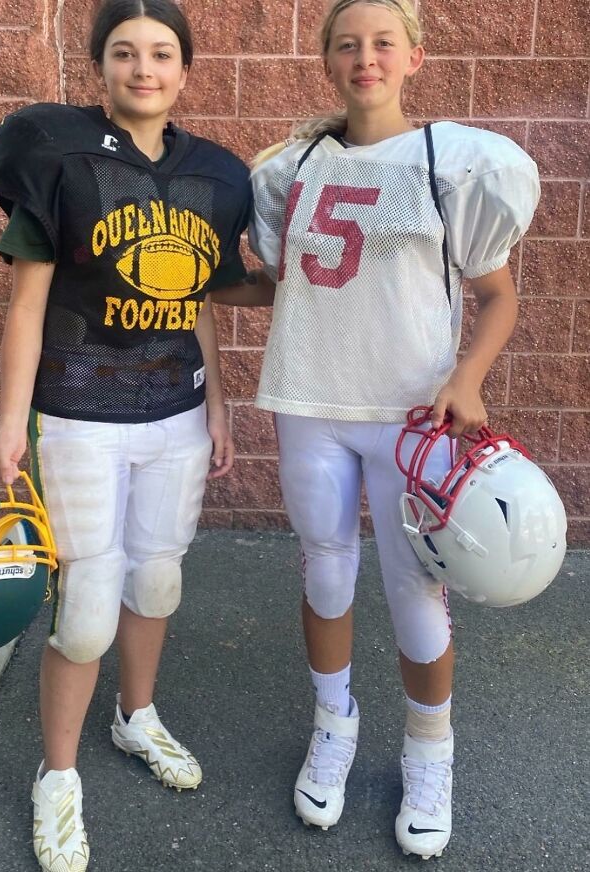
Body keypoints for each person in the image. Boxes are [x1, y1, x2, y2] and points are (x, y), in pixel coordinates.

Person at [245, 0, 540, 859]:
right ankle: (332, 723)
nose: (364, 58)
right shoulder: (292, 166)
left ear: (416, 56)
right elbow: (284, 285)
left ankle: (429, 749)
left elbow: (498, 296)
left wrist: (467, 376)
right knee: (326, 570)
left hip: (413, 416)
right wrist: (176, 284)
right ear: (327, 61)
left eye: (383, 43)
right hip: (311, 401)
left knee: (414, 587)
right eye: (347, 45)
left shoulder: (452, 162)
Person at [0, 2, 252, 869]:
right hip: (81, 411)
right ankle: (57, 776)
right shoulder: (60, 157)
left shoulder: (214, 173)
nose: (144, 69)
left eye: (161, 54)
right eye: (125, 53)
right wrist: (8, 423)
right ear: (99, 66)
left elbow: (199, 298)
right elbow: (27, 305)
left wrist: (217, 401)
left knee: (158, 578)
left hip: (175, 407)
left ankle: (137, 717)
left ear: (184, 69)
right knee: (89, 606)